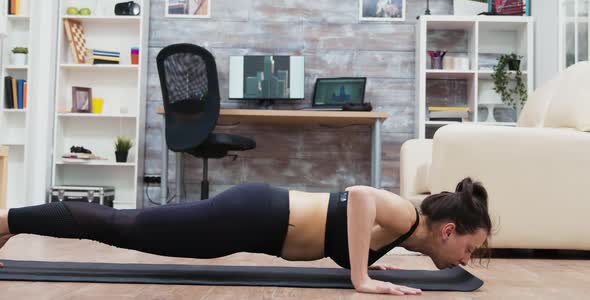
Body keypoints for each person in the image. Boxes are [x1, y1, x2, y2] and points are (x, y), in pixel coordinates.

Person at [0, 177, 491, 296]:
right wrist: (361, 277)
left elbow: (344, 226)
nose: (464, 257)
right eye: (468, 247)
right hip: (253, 214)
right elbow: (358, 196)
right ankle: (8, 221)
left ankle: (9, 222)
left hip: (253, 223)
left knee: (128, 231)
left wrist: (364, 260)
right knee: (125, 227)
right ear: (448, 230)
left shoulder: (401, 234)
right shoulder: (406, 214)